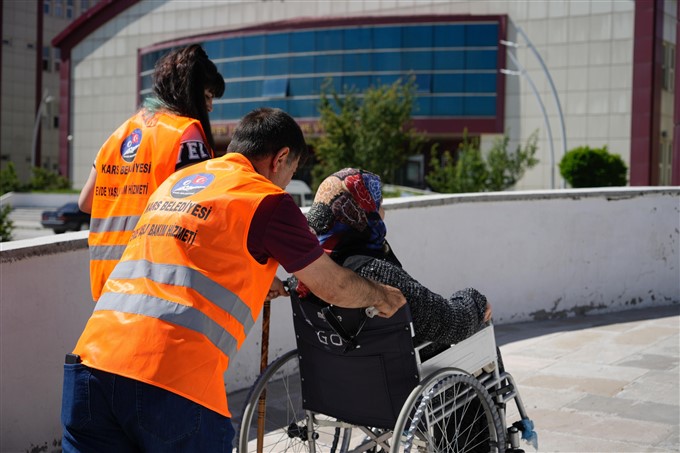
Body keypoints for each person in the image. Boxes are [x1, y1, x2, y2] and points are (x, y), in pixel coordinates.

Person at [61, 108, 406, 452]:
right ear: (281, 158)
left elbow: (185, 253)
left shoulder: (177, 183)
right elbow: (332, 286)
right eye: (292, 170)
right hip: (170, 383)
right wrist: (382, 297)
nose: (287, 180)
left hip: (90, 368)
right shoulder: (266, 200)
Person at [78, 44, 225, 302]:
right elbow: (202, 214)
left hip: (107, 284)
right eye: (208, 96)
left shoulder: (119, 134)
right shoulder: (185, 134)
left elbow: (86, 202)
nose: (210, 107)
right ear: (191, 93)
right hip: (154, 283)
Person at [293, 167, 492, 351]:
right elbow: (451, 324)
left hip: (338, 376)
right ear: (362, 212)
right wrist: (475, 299)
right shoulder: (375, 273)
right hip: (412, 379)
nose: (383, 213)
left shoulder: (305, 275)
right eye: (379, 206)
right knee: (480, 322)